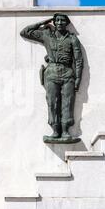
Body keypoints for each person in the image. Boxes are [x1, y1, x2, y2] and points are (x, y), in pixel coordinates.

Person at [20, 13, 83, 142]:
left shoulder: (72, 39)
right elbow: (25, 32)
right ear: (54, 22)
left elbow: (78, 60)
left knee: (68, 102)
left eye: (62, 20)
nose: (60, 23)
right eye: (57, 20)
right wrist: (43, 22)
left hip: (67, 72)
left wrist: (78, 79)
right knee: (52, 102)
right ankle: (55, 131)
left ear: (67, 23)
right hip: (52, 72)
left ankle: (65, 131)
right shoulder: (46, 35)